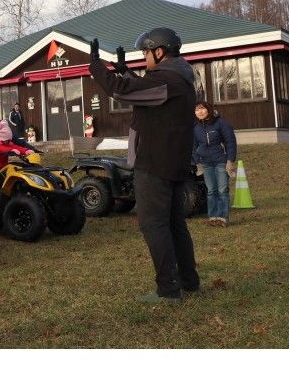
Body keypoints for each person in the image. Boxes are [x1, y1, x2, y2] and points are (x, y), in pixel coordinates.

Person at [88, 28, 200, 303]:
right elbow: (143, 91)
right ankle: (188, 281)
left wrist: (95, 67)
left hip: (154, 165)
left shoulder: (166, 80)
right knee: (174, 225)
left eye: (145, 53)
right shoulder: (180, 79)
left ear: (159, 52)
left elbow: (121, 91)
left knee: (154, 226)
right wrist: (125, 70)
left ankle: (168, 290)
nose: (144, 58)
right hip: (172, 164)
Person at [192, 101, 237, 227]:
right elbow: (192, 146)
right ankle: (213, 217)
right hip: (206, 163)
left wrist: (230, 160)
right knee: (211, 191)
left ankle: (222, 218)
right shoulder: (195, 127)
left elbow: (230, 142)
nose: (199, 112)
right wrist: (197, 163)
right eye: (196, 110)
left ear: (208, 109)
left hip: (221, 161)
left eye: (202, 109)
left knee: (222, 190)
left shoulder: (221, 123)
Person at [0, 120, 34, 214]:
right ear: (1, 137)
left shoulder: (6, 142)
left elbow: (15, 146)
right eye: (6, 140)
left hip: (3, 166)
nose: (8, 142)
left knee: (11, 180)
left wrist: (26, 150)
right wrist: (11, 150)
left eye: (9, 140)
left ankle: (10, 201)